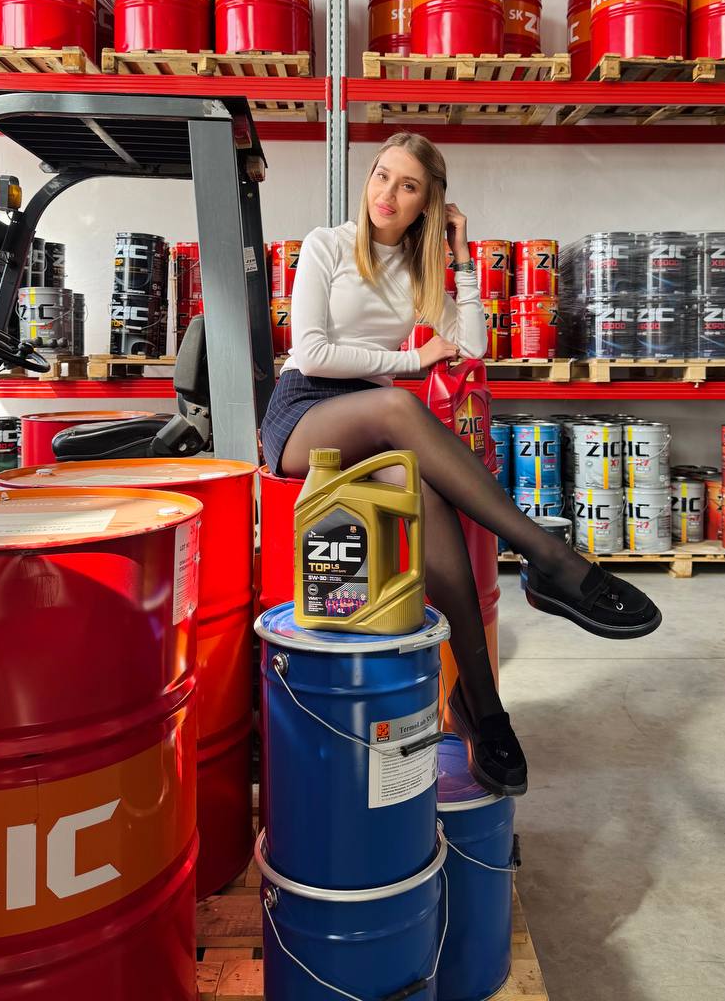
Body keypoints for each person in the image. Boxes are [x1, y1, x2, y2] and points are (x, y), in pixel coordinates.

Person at [260, 131, 661, 797]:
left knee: (428, 494)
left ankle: (482, 707)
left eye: (408, 186)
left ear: (428, 203)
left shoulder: (419, 271)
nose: (387, 194)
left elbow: (470, 345)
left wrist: (463, 259)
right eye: (382, 176)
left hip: (373, 420)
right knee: (398, 405)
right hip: (305, 414)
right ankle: (551, 558)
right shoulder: (328, 245)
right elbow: (313, 350)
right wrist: (408, 360)